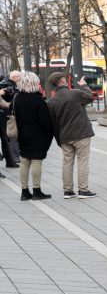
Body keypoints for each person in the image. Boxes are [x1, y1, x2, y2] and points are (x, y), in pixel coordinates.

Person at [46, 72, 96, 199]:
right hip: (81, 134)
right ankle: (83, 190)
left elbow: (52, 123)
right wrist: (84, 85)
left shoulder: (51, 101)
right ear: (63, 80)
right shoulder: (74, 93)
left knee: (67, 163)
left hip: (64, 136)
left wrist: (59, 139)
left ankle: (68, 191)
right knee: (83, 161)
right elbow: (90, 97)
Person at [12, 72, 54, 201]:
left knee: (25, 161)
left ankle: (24, 192)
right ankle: (37, 191)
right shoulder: (38, 99)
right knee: (36, 161)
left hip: (23, 134)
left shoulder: (17, 97)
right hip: (38, 135)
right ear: (33, 83)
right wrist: (50, 134)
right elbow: (45, 121)